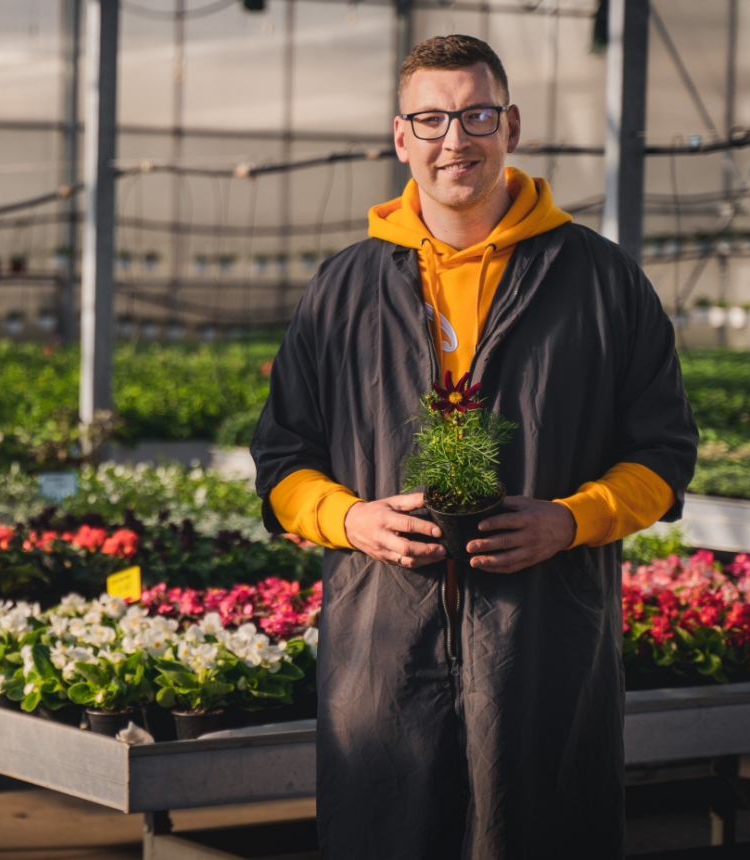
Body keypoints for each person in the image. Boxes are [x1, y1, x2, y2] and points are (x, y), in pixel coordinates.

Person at [251, 35, 696, 858]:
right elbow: (282, 454)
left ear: (512, 125)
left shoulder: (601, 283)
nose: (455, 138)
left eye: (476, 114)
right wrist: (350, 521)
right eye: (431, 118)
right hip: (380, 641)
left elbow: (665, 451)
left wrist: (574, 519)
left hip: (543, 640)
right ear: (400, 138)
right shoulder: (344, 289)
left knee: (537, 827)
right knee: (387, 829)